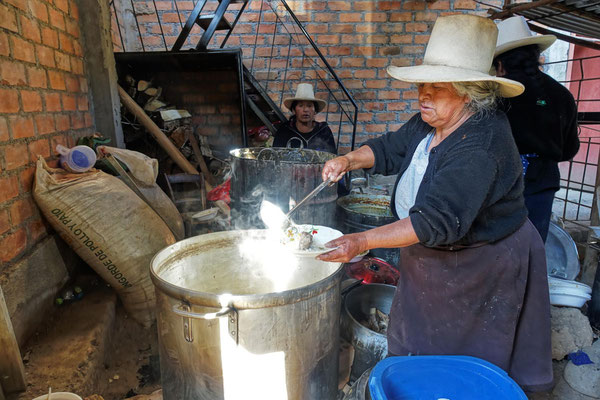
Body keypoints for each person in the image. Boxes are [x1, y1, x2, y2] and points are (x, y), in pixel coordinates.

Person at [318, 14, 553, 392]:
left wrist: (361, 242)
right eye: (422, 84)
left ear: (469, 91)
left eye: (437, 86)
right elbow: (389, 148)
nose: (423, 94)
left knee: (464, 355)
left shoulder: (482, 142)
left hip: (482, 262)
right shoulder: (431, 121)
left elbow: (434, 221)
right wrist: (348, 160)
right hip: (432, 252)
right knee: (418, 338)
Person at [493, 16, 580, 242]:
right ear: (535, 57)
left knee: (493, 249)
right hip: (541, 183)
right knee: (532, 246)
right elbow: (569, 150)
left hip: (497, 183)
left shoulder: (496, 96)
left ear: (500, 65)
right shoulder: (562, 95)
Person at [272, 83, 337, 154]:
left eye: (309, 106)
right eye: (300, 105)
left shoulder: (323, 130)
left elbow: (331, 155)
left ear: (315, 111)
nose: (305, 110)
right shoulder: (285, 130)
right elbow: (276, 155)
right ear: (294, 110)